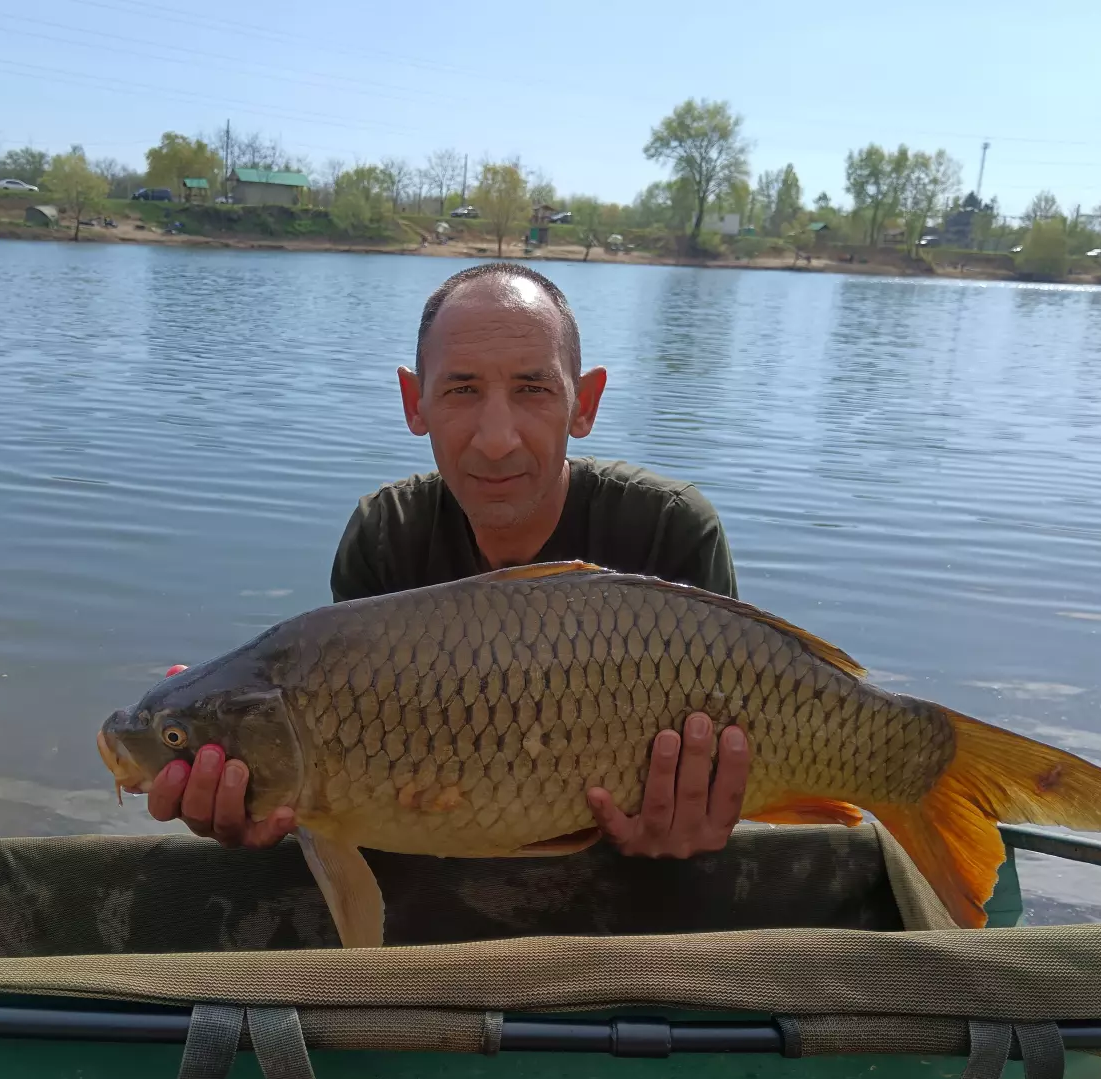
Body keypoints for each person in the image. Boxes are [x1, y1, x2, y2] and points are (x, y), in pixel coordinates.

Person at [148, 262, 752, 860]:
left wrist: (692, 833)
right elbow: (353, 779)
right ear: (415, 403)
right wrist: (273, 800)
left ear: (583, 403)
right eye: (462, 390)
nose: (497, 440)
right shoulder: (387, 535)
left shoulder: (670, 531)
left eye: (533, 390)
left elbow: (732, 769)